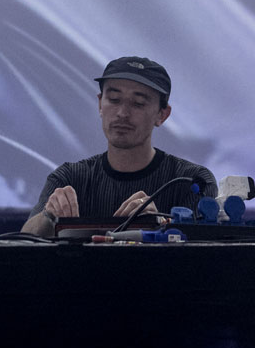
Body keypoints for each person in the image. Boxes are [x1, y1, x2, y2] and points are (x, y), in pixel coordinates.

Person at [22, 56, 217, 237]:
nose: (122, 113)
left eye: (138, 103)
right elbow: (24, 241)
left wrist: (159, 226)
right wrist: (48, 216)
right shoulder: (69, 178)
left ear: (162, 115)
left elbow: (202, 252)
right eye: (114, 100)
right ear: (100, 104)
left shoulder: (193, 182)